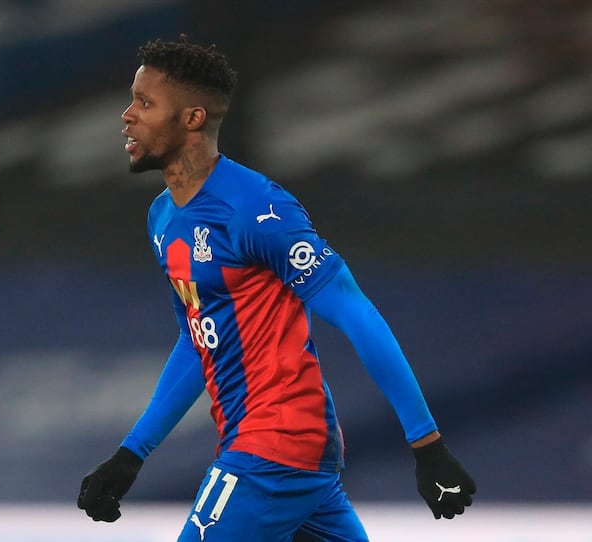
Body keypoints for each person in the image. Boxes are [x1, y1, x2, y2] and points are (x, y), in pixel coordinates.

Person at [77, 36, 476, 541]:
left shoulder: (257, 210)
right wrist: (132, 454)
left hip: (276, 445)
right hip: (274, 449)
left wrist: (427, 444)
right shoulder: (162, 218)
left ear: (193, 119)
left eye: (145, 102)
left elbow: (355, 311)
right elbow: (198, 339)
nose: (127, 114)